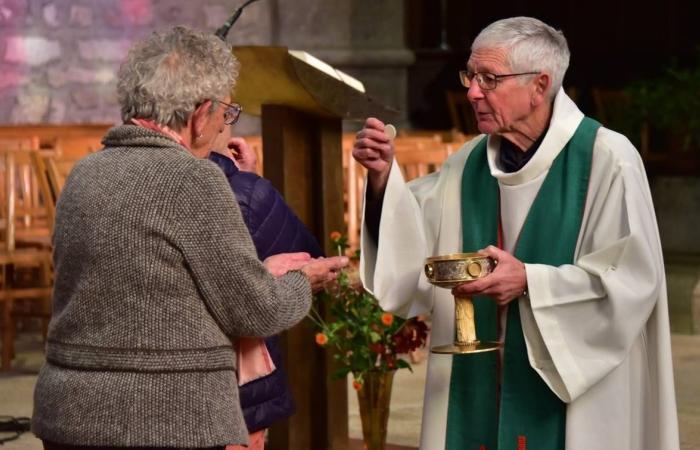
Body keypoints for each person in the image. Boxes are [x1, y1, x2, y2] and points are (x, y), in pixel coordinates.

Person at [353, 16, 679, 450]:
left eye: (489, 79)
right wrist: (381, 180)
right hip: (481, 387)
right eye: (470, 76)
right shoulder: (467, 164)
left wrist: (530, 281)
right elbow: (410, 241)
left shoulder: (608, 159)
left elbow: (631, 282)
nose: (471, 91)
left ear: (539, 86)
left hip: (574, 392)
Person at [31, 26, 347, 450]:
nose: (223, 128)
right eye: (224, 115)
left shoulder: (85, 173)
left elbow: (149, 286)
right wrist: (301, 280)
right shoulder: (195, 180)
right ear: (200, 116)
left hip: (68, 414)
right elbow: (256, 313)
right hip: (168, 422)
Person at [208, 129, 323, 450]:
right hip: (238, 397)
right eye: (228, 114)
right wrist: (251, 183)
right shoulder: (244, 192)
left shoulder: (116, 180)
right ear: (207, 118)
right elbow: (309, 254)